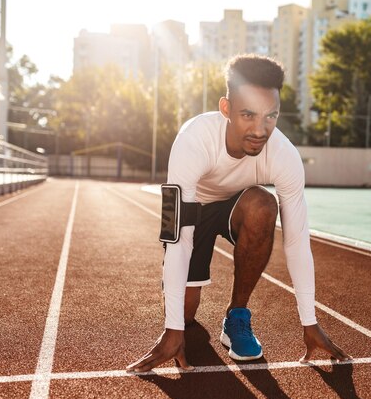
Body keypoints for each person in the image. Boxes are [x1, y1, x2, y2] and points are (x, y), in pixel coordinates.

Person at [127, 54, 350, 373]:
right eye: (248, 115)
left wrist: (309, 321)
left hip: (236, 205)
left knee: (264, 205)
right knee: (185, 315)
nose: (261, 130)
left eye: (270, 116)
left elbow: (298, 242)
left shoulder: (284, 155)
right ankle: (177, 311)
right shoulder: (192, 140)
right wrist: (172, 329)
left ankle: (237, 316)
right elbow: (176, 233)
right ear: (226, 109)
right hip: (192, 208)